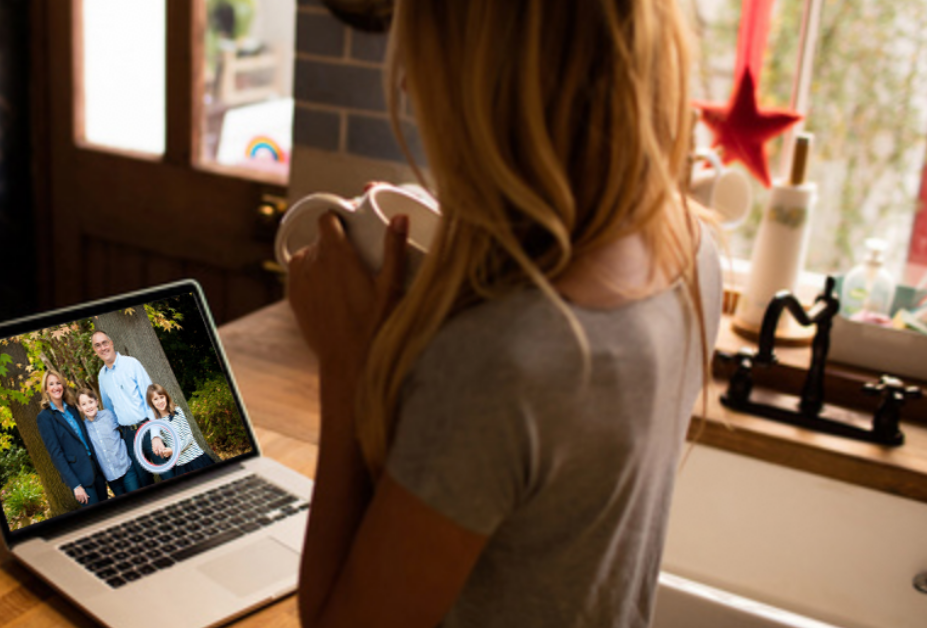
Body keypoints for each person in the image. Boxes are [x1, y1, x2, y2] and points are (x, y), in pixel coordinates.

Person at [286, 2, 722, 627]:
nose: (408, 83)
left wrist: (346, 363)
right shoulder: (692, 248)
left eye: (429, 60)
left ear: (490, 80)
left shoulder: (501, 363)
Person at [91, 331, 166, 487]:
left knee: (168, 474)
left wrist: (156, 435)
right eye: (97, 345)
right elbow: (109, 410)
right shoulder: (102, 376)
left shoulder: (131, 364)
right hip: (129, 436)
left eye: (104, 343)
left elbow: (151, 401)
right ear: (94, 350)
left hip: (147, 427)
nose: (102, 348)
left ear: (111, 343)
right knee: (144, 482)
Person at [36, 371, 106, 508]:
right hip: (80, 477)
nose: (56, 387)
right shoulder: (44, 418)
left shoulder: (73, 408)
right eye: (51, 384)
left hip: (96, 470)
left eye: (58, 383)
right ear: (46, 390)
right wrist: (75, 485)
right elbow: (56, 455)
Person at [75, 388, 142, 498]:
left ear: (96, 402)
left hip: (126, 468)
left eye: (91, 402)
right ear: (79, 408)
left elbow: (124, 430)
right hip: (110, 477)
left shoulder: (109, 415)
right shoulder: (83, 428)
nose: (89, 406)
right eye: (84, 404)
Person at [145, 384, 215, 478]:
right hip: (181, 465)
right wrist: (164, 451)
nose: (160, 401)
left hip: (196, 458)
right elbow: (165, 443)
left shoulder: (177, 411)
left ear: (166, 397)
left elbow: (189, 436)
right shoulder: (156, 424)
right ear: (151, 402)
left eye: (161, 397)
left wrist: (173, 450)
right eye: (155, 399)